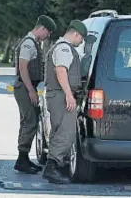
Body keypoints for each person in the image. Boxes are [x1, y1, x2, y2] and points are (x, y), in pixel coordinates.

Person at [42, 19, 87, 184]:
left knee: (58, 131)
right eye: (81, 38)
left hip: (57, 95)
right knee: (66, 133)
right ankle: (51, 168)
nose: (81, 42)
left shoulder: (60, 46)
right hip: (61, 95)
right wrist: (69, 95)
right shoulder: (64, 48)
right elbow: (61, 71)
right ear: (75, 33)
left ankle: (54, 166)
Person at [13, 15, 57, 174]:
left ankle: (23, 158)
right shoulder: (28, 44)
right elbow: (23, 67)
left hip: (27, 86)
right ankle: (21, 159)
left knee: (30, 120)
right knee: (29, 121)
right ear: (42, 29)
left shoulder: (33, 43)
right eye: (48, 32)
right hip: (25, 87)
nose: (48, 36)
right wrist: (31, 90)